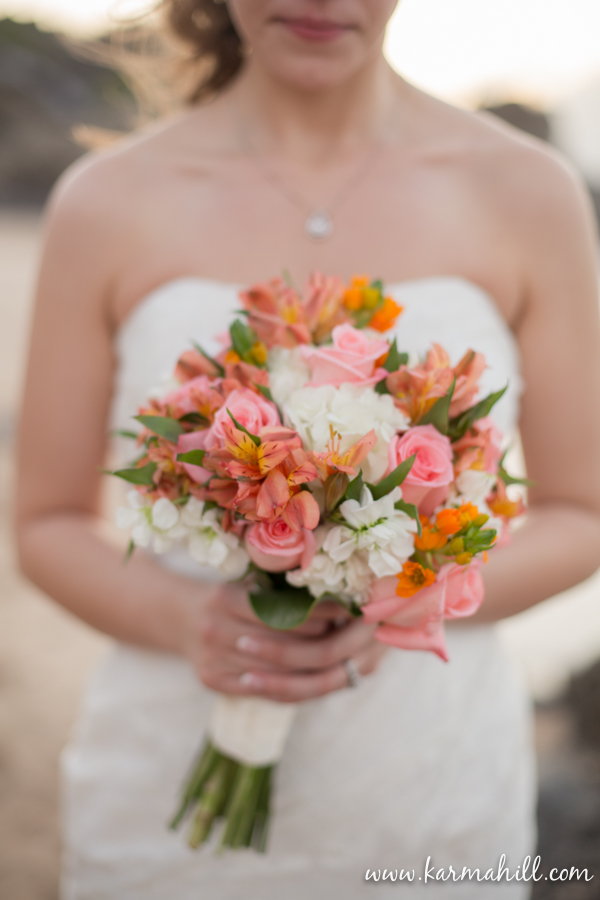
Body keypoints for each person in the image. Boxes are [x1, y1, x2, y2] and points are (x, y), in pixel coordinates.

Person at [14, 0, 600, 897]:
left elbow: (582, 511)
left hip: (429, 793)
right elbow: (47, 522)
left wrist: (411, 594)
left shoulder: (528, 190)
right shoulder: (107, 199)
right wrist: (190, 620)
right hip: (164, 774)